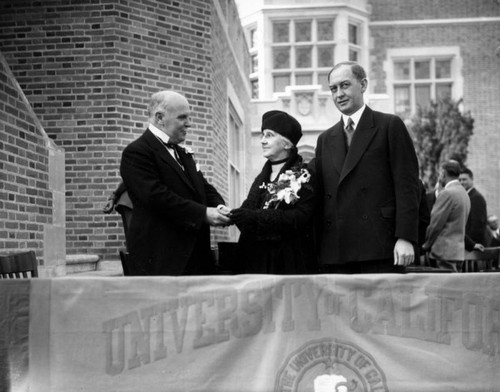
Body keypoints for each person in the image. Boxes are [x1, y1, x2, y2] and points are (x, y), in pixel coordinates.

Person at [314, 61, 420, 273]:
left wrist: (405, 237)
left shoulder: (389, 126)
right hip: (336, 251)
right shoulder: (325, 139)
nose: (339, 94)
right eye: (333, 89)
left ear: (363, 85)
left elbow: (407, 186)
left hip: (380, 245)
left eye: (345, 85)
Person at [120, 90, 230, 276]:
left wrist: (219, 206)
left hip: (196, 257)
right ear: (160, 118)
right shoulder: (136, 152)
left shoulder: (183, 153)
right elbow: (156, 197)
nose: (189, 123)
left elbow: (203, 187)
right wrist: (203, 213)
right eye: (182, 117)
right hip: (162, 258)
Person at [230, 110, 317, 274]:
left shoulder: (303, 175)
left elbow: (302, 217)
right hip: (255, 261)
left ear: (286, 143)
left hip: (287, 262)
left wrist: (255, 218)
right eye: (262, 135)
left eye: (269, 135)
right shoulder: (261, 178)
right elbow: (248, 211)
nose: (263, 141)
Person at [423, 161, 471, 272]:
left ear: (443, 173)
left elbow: (435, 224)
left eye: (439, 174)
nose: (439, 177)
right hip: (458, 252)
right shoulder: (464, 193)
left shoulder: (446, 193)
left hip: (443, 253)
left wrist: (426, 244)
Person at [459, 168, 487, 252]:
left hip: (473, 247)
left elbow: (477, 225)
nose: (461, 182)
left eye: (464, 179)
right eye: (459, 180)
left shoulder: (476, 198)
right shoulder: (467, 196)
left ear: (472, 179)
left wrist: (470, 244)